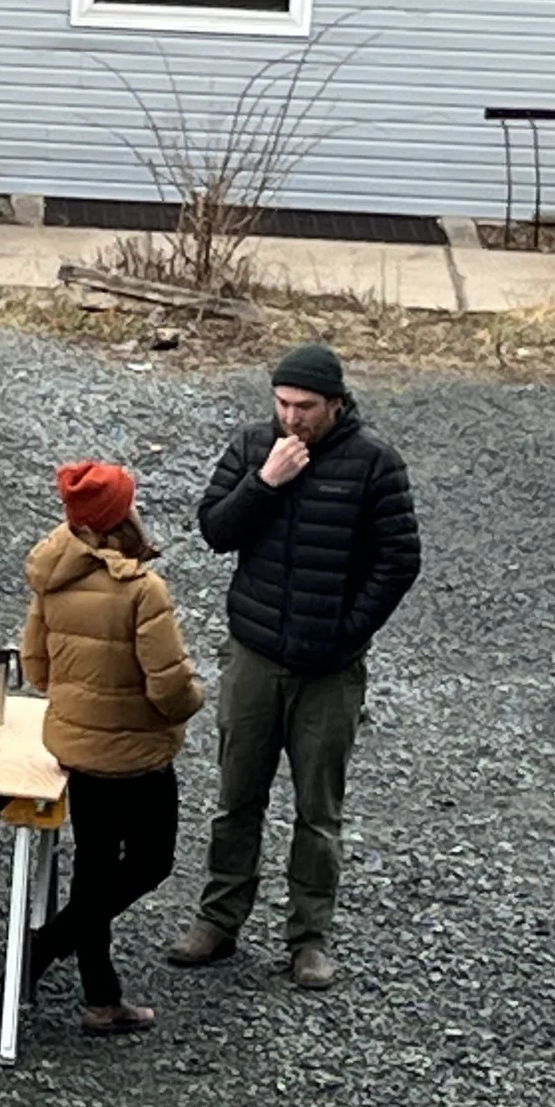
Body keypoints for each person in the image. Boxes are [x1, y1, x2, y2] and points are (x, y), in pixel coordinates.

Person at [167, 343, 420, 991]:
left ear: (335, 402)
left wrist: (347, 630)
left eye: (304, 406)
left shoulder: (374, 463)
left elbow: (399, 559)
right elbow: (216, 529)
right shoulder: (256, 447)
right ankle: (218, 922)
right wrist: (266, 481)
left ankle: (309, 938)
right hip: (254, 655)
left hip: (329, 672)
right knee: (235, 798)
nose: (291, 417)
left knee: (318, 811)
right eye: (282, 403)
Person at [20, 459, 205, 1035]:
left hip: (77, 753)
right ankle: (40, 949)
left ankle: (102, 998)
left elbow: (37, 669)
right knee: (152, 862)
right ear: (121, 517)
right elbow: (168, 687)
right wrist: (193, 701)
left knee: (96, 870)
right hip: (138, 760)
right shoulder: (142, 589)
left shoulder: (53, 577)